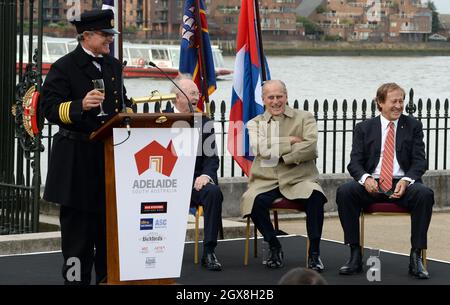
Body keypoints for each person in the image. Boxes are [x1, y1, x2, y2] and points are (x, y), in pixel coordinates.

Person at [41, 9, 131, 284]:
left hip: (107, 162)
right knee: (77, 243)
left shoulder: (114, 66)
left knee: (108, 237)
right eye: (105, 35)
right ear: (87, 35)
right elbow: (48, 109)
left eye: (110, 35)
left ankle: (107, 280)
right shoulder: (63, 67)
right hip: (76, 164)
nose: (109, 40)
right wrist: (80, 105)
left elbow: (122, 104)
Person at [336, 83, 434, 279]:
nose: (398, 106)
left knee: (425, 194)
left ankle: (416, 257)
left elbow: (420, 161)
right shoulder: (364, 128)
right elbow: (354, 163)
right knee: (345, 192)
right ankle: (355, 254)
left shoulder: (413, 126)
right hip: (373, 183)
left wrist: (406, 180)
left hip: (402, 183)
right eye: (393, 101)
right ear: (380, 103)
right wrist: (365, 179)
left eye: (401, 101)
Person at [240, 80, 328, 271]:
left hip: (299, 179)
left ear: (286, 96)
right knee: (253, 201)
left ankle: (314, 253)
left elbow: (311, 148)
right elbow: (260, 148)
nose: (275, 101)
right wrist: (290, 141)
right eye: (270, 97)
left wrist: (282, 155)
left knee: (316, 197)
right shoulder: (255, 123)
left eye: (279, 96)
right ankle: (274, 245)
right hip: (266, 180)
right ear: (263, 100)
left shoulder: (305, 117)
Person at [168, 75, 224, 271]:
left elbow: (212, 159)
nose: (196, 98)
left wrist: (205, 176)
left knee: (213, 192)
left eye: (197, 93)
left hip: (194, 184)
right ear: (176, 97)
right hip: (167, 183)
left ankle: (209, 251)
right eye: (192, 93)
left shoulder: (204, 121)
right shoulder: (159, 118)